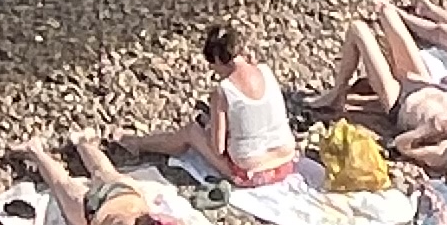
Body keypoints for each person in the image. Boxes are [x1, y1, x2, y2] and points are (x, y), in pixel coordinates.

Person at [106, 18, 304, 190]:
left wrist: (209, 129)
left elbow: (217, 148)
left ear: (217, 59)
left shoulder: (224, 90)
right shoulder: (265, 71)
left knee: (191, 132)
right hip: (286, 162)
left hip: (253, 173)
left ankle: (138, 143)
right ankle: (142, 143)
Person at [14, 135, 222, 225]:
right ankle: (35, 150)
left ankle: (82, 142)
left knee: (103, 171)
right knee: (62, 184)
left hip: (126, 194)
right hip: (93, 214)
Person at [327, 7, 447, 175]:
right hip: (426, 84)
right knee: (388, 13)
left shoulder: (444, 154)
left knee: (358, 30)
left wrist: (428, 130)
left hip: (400, 101)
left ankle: (336, 94)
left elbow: (401, 145)